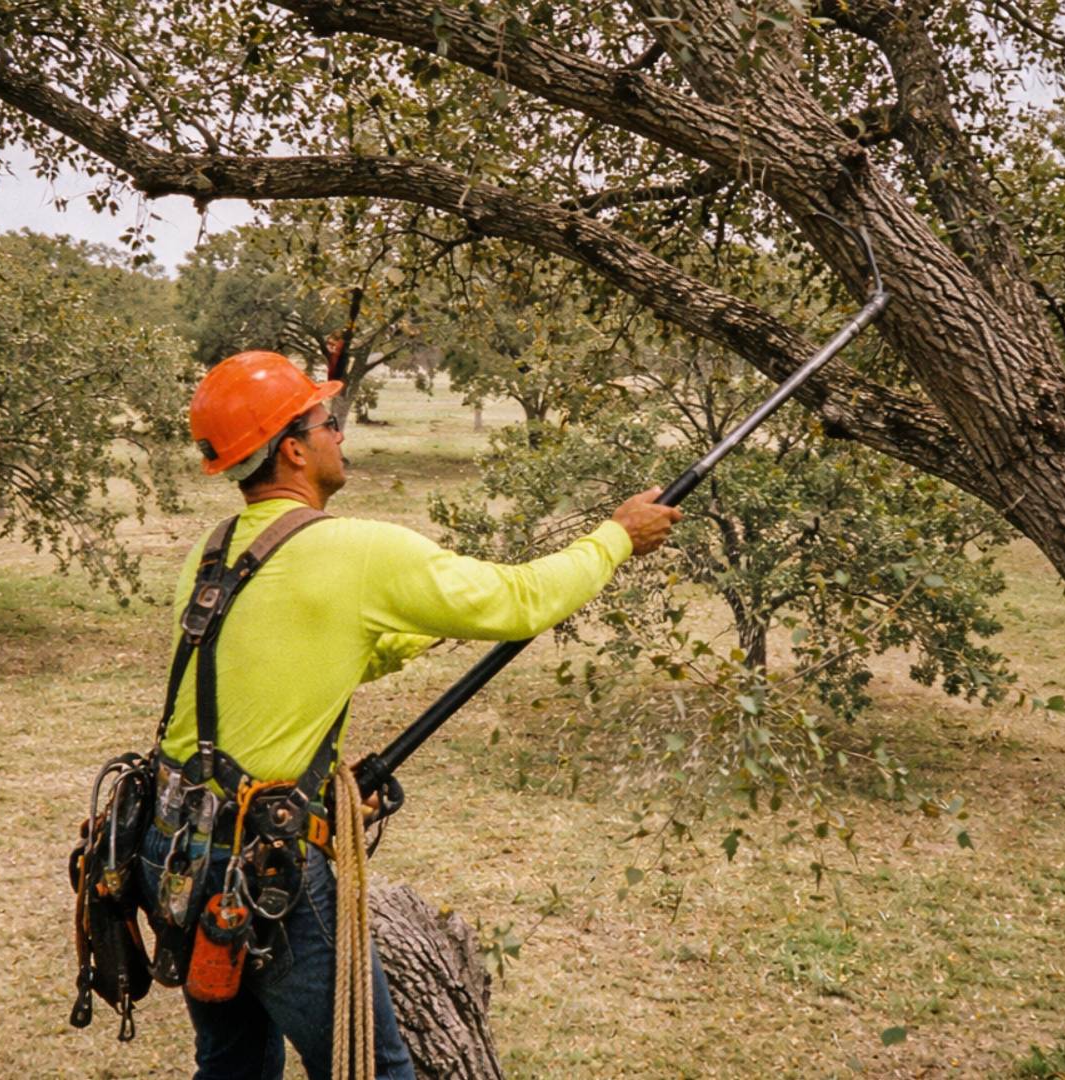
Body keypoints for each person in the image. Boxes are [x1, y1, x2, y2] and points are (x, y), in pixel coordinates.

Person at [137, 350, 680, 1080]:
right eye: (329, 422)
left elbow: (308, 656)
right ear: (294, 449)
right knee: (376, 1072)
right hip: (264, 869)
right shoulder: (353, 549)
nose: (341, 434)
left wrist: (437, 619)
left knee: (234, 1065)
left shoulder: (213, 557)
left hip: (173, 850)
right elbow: (523, 601)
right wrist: (617, 538)